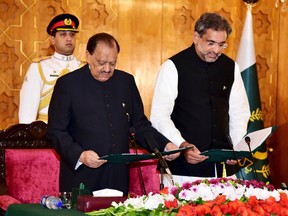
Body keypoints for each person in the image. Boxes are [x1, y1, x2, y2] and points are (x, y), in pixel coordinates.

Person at [46, 32, 179, 195]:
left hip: (117, 176)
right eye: (101, 63)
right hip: (82, 175)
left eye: (113, 63)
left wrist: (164, 145)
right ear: (88, 55)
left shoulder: (126, 82)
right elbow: (56, 131)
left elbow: (139, 125)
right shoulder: (68, 84)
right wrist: (80, 155)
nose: (107, 69)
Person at [150, 12, 251, 184]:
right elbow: (159, 116)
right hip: (181, 170)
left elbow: (240, 113)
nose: (216, 50)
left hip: (222, 170)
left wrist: (236, 147)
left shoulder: (231, 67)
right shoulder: (172, 67)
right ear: (196, 37)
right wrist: (182, 145)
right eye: (210, 43)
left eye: (221, 44)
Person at [19, 13, 85, 124]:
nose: (69, 38)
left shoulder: (84, 68)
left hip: (77, 133)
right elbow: (27, 110)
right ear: (52, 39)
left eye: (72, 35)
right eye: (63, 34)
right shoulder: (39, 67)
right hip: (46, 132)